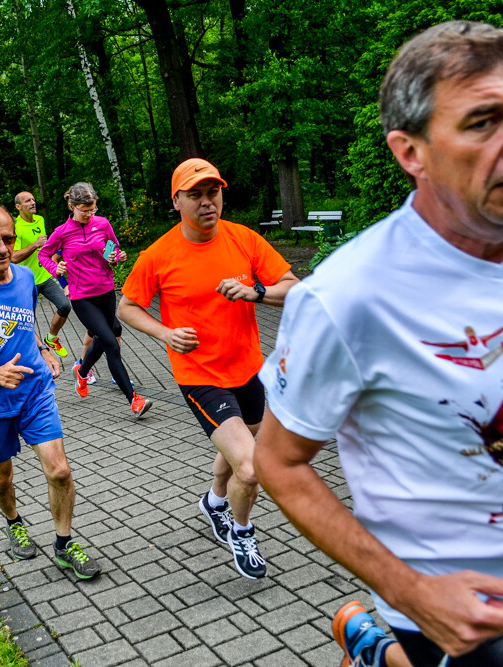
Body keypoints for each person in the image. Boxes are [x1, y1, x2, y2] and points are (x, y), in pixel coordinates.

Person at [252, 21, 503, 667]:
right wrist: (410, 592)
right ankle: (380, 634)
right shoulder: (347, 298)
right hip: (443, 602)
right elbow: (279, 462)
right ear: (410, 152)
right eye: (483, 122)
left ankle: (367, 647)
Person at [118, 158, 299, 580]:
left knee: (236, 448)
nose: (207, 202)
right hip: (199, 375)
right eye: (195, 194)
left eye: (212, 192)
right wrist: (164, 334)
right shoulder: (158, 254)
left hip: (249, 368)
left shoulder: (244, 239)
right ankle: (241, 529)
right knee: (251, 468)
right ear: (177, 200)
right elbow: (127, 306)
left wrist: (256, 292)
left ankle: (214, 502)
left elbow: (295, 288)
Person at [0, 204, 101, 579]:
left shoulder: (26, 279)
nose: (2, 248)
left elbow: (23, 324)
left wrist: (43, 350)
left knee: (59, 471)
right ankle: (14, 522)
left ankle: (63, 544)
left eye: (8, 239)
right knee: (1, 479)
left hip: (34, 390)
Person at [39, 182, 151, 419]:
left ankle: (82, 369)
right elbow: (43, 254)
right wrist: (55, 268)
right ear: (72, 206)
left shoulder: (103, 224)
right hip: (82, 296)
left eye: (92, 210)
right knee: (111, 342)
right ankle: (134, 400)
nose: (90, 214)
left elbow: (114, 249)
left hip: (106, 290)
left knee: (103, 338)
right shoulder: (62, 232)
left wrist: (116, 257)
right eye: (84, 210)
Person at [11, 190, 71, 358]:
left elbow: (46, 251)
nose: (32, 203)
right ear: (18, 206)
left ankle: (51, 337)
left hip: (45, 276)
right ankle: (35, 354)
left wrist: (54, 267)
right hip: (26, 282)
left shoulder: (40, 219)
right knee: (28, 322)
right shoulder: (16, 228)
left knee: (65, 305)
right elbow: (13, 257)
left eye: (33, 200)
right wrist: (34, 245)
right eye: (27, 201)